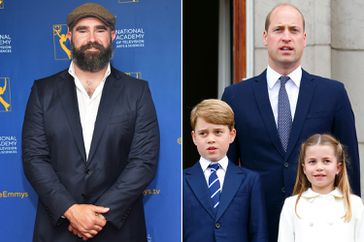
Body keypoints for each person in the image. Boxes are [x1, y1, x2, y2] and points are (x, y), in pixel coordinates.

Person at [221, 3, 360, 242]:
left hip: (319, 228)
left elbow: (350, 166)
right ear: (265, 37)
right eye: (279, 29)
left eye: (294, 30)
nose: (286, 37)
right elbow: (228, 170)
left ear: (304, 38)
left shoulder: (333, 93)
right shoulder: (236, 97)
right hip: (256, 225)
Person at [22, 3, 159, 242]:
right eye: (82, 30)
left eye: (100, 30)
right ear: (69, 36)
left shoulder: (137, 91)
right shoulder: (42, 91)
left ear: (112, 35)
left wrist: (98, 215)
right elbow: (35, 158)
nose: (92, 38)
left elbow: (144, 161)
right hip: (59, 230)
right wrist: (71, 210)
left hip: (119, 229)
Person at [183, 99, 267, 242]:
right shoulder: (181, 180)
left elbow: (258, 232)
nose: (211, 139)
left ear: (232, 135)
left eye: (218, 132)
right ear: (194, 137)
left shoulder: (250, 180)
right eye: (203, 133)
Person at [278, 134, 364, 242]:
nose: (319, 167)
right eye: (312, 161)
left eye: (326, 161)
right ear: (304, 169)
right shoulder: (292, 205)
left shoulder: (354, 204)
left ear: (338, 168)